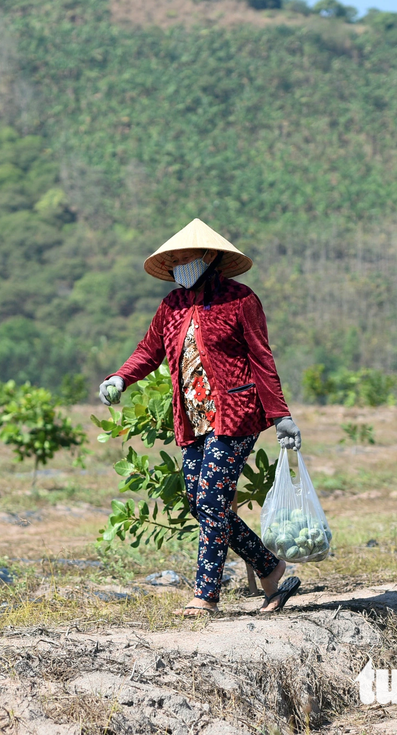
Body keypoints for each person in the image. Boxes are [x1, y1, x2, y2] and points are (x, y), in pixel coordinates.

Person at [98, 219, 302, 616]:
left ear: (208, 258)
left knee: (210, 499)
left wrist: (280, 416)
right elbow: (148, 350)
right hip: (192, 419)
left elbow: (262, 357)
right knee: (200, 502)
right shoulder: (171, 306)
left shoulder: (240, 300)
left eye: (183, 258)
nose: (177, 265)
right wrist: (121, 377)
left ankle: (205, 596)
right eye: (171, 260)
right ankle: (269, 566)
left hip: (235, 414)